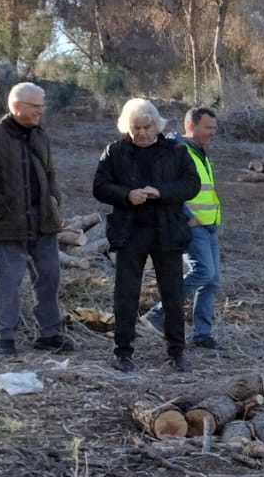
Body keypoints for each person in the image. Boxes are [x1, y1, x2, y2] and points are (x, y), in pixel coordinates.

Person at [92, 98, 201, 374]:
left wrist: (161, 192)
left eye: (146, 127)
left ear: (156, 125)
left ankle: (177, 352)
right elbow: (100, 186)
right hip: (129, 232)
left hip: (167, 231)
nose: (140, 133)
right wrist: (126, 195)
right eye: (135, 128)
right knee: (126, 294)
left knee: (173, 294)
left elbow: (192, 184)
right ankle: (123, 352)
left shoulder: (175, 150)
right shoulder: (114, 152)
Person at [0, 82, 71, 357]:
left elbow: (51, 172)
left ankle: (49, 335)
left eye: (42, 106)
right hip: (7, 225)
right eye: (35, 107)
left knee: (50, 278)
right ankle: (4, 337)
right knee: (8, 281)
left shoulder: (41, 136)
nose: (40, 111)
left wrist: (54, 198)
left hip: (44, 222)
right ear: (16, 106)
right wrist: (1, 207)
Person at [144, 106, 223, 349]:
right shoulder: (175, 151)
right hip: (192, 225)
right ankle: (156, 315)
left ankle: (202, 334)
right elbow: (168, 186)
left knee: (212, 281)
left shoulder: (200, 151)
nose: (212, 133)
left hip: (209, 226)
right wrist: (185, 218)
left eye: (214, 128)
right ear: (191, 126)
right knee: (203, 273)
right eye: (208, 128)